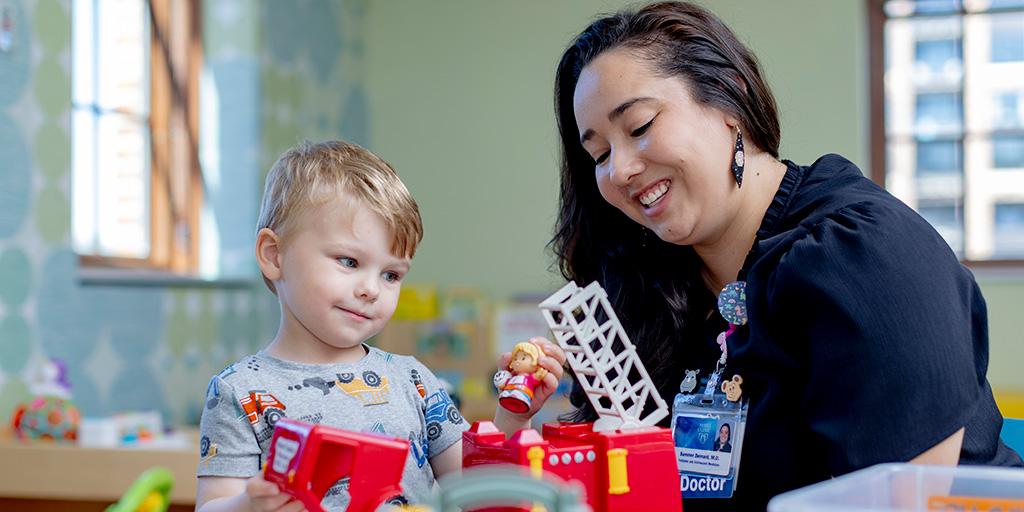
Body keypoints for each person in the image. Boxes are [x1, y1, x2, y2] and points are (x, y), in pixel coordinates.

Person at [524, 1, 1024, 510]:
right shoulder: (657, 285)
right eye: (599, 155)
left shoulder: (865, 255)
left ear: (729, 98)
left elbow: (902, 501)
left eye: (639, 125)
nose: (621, 169)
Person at [195, 140, 468, 511]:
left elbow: (478, 485)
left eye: (391, 274)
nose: (371, 289)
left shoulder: (414, 381)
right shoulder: (239, 392)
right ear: (274, 255)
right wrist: (247, 505)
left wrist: (514, 413)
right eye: (349, 262)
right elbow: (213, 505)